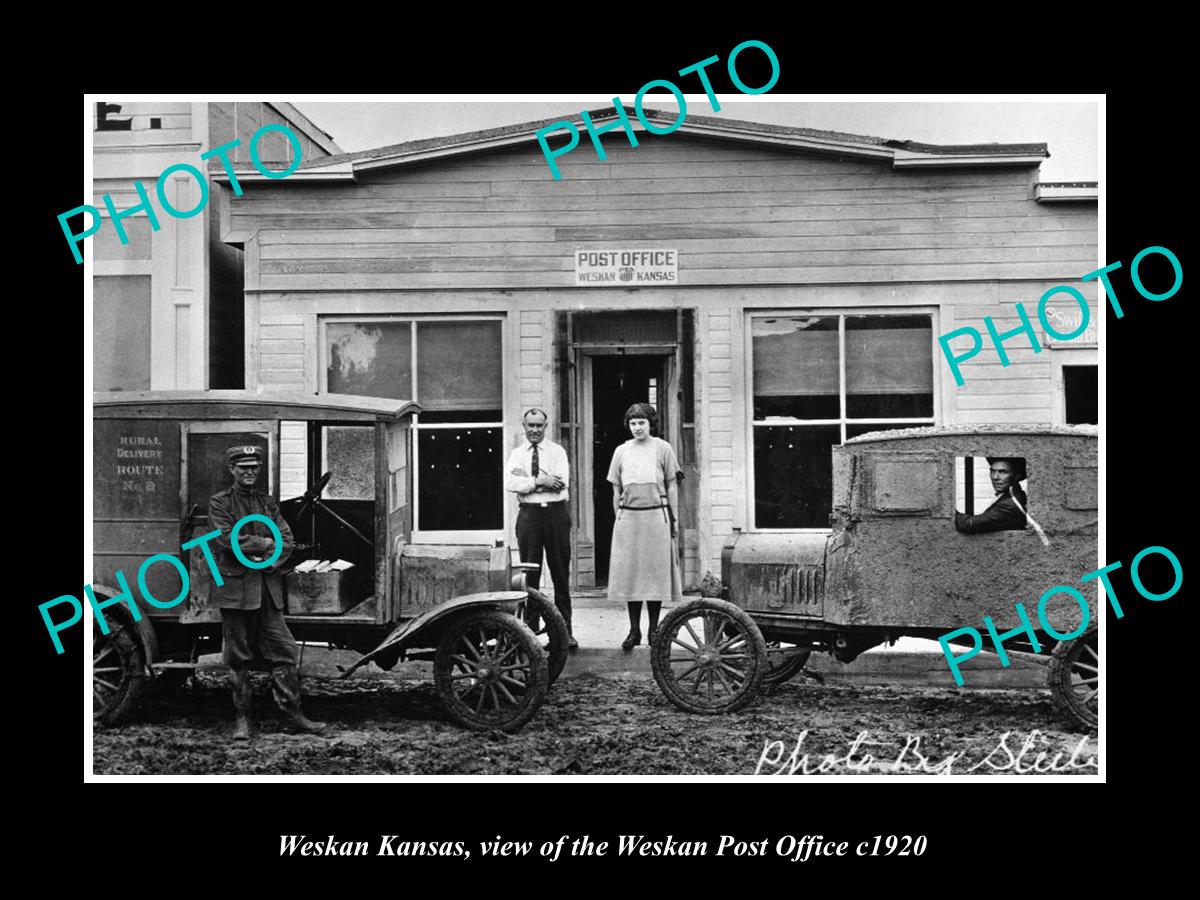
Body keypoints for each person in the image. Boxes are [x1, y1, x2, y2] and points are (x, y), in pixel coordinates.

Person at [208, 445, 327, 739]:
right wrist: (264, 545)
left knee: (284, 651)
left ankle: (294, 715)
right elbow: (226, 540)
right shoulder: (220, 503)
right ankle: (242, 721)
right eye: (243, 467)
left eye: (254, 468)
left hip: (267, 591)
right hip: (236, 591)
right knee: (237, 658)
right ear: (232, 470)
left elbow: (286, 540)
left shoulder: (268, 503)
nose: (249, 472)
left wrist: (267, 553)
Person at [606, 402, 683, 650]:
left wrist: (674, 518)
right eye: (633, 423)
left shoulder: (663, 448)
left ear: (651, 424)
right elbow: (615, 488)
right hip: (629, 519)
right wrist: (620, 517)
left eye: (642, 422)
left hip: (656, 517)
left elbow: (672, 484)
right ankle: (634, 630)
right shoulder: (621, 450)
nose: (637, 428)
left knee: (653, 576)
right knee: (631, 576)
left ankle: (653, 630)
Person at [505, 408, 577, 649]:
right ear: (523, 426)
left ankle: (565, 632)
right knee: (529, 575)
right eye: (530, 425)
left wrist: (528, 484)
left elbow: (560, 483)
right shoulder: (516, 454)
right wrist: (539, 481)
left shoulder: (557, 452)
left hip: (556, 514)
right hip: (529, 517)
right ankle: (531, 633)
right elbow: (511, 483)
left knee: (560, 574)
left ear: (546, 427)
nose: (534, 430)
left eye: (539, 425)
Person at [955, 457, 1029, 533]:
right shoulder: (1011, 496)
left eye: (1003, 472)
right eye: (992, 471)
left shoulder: (1009, 505)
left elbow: (967, 524)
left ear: (1017, 476)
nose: (995, 477)